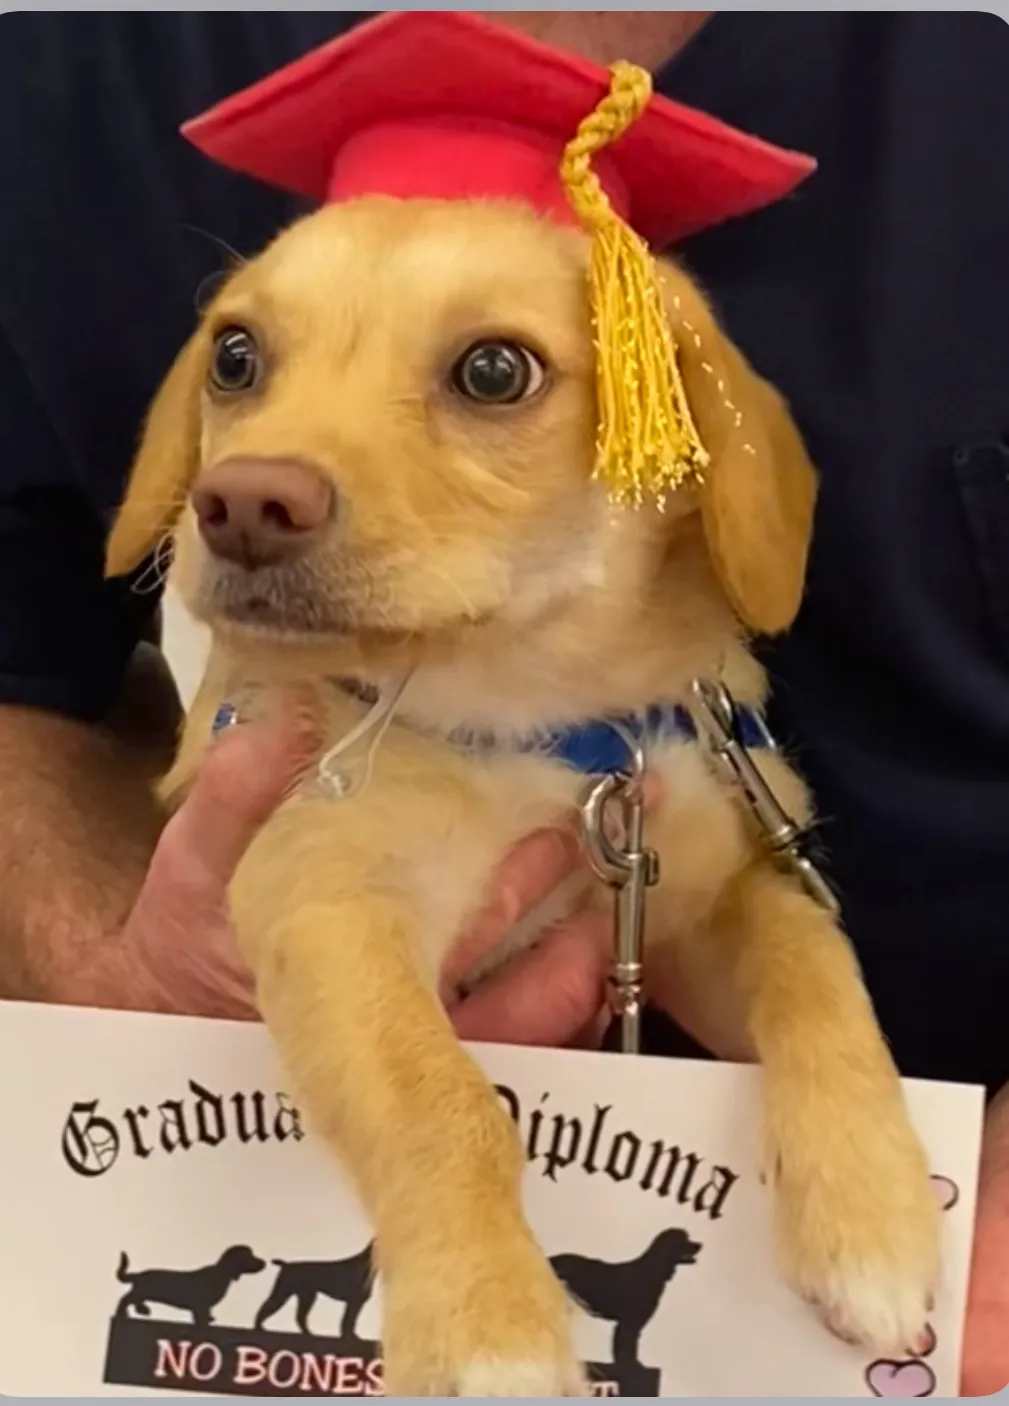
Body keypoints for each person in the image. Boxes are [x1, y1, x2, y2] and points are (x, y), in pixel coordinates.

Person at [0, 11, 1006, 1393]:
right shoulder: (66, 65)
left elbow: (741, 906)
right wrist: (103, 990)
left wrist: (845, 1088)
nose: (262, 481)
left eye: (490, 373)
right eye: (240, 362)